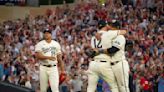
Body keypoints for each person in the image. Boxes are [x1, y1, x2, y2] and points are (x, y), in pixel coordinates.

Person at [87, 20, 127, 92]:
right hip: (104, 63)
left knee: (90, 88)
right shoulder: (109, 34)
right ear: (106, 26)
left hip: (93, 64)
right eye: (108, 25)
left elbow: (93, 52)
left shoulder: (93, 37)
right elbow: (124, 32)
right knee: (114, 87)